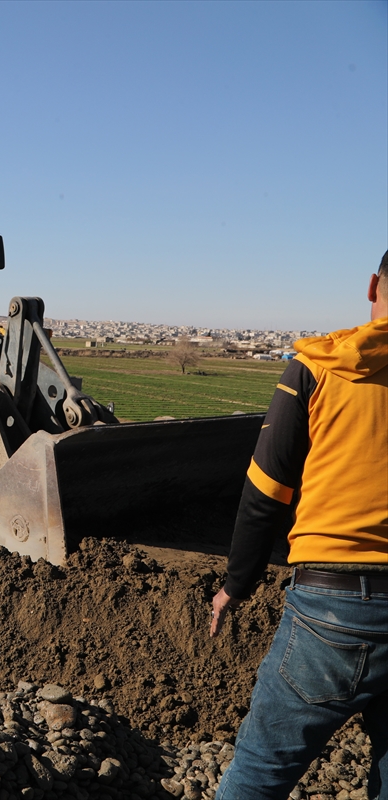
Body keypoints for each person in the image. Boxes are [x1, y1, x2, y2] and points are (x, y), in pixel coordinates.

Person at [210, 251, 388, 800]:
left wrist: (236, 584)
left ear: (371, 286)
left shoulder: (317, 367)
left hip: (333, 614)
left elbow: (266, 491)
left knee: (259, 776)